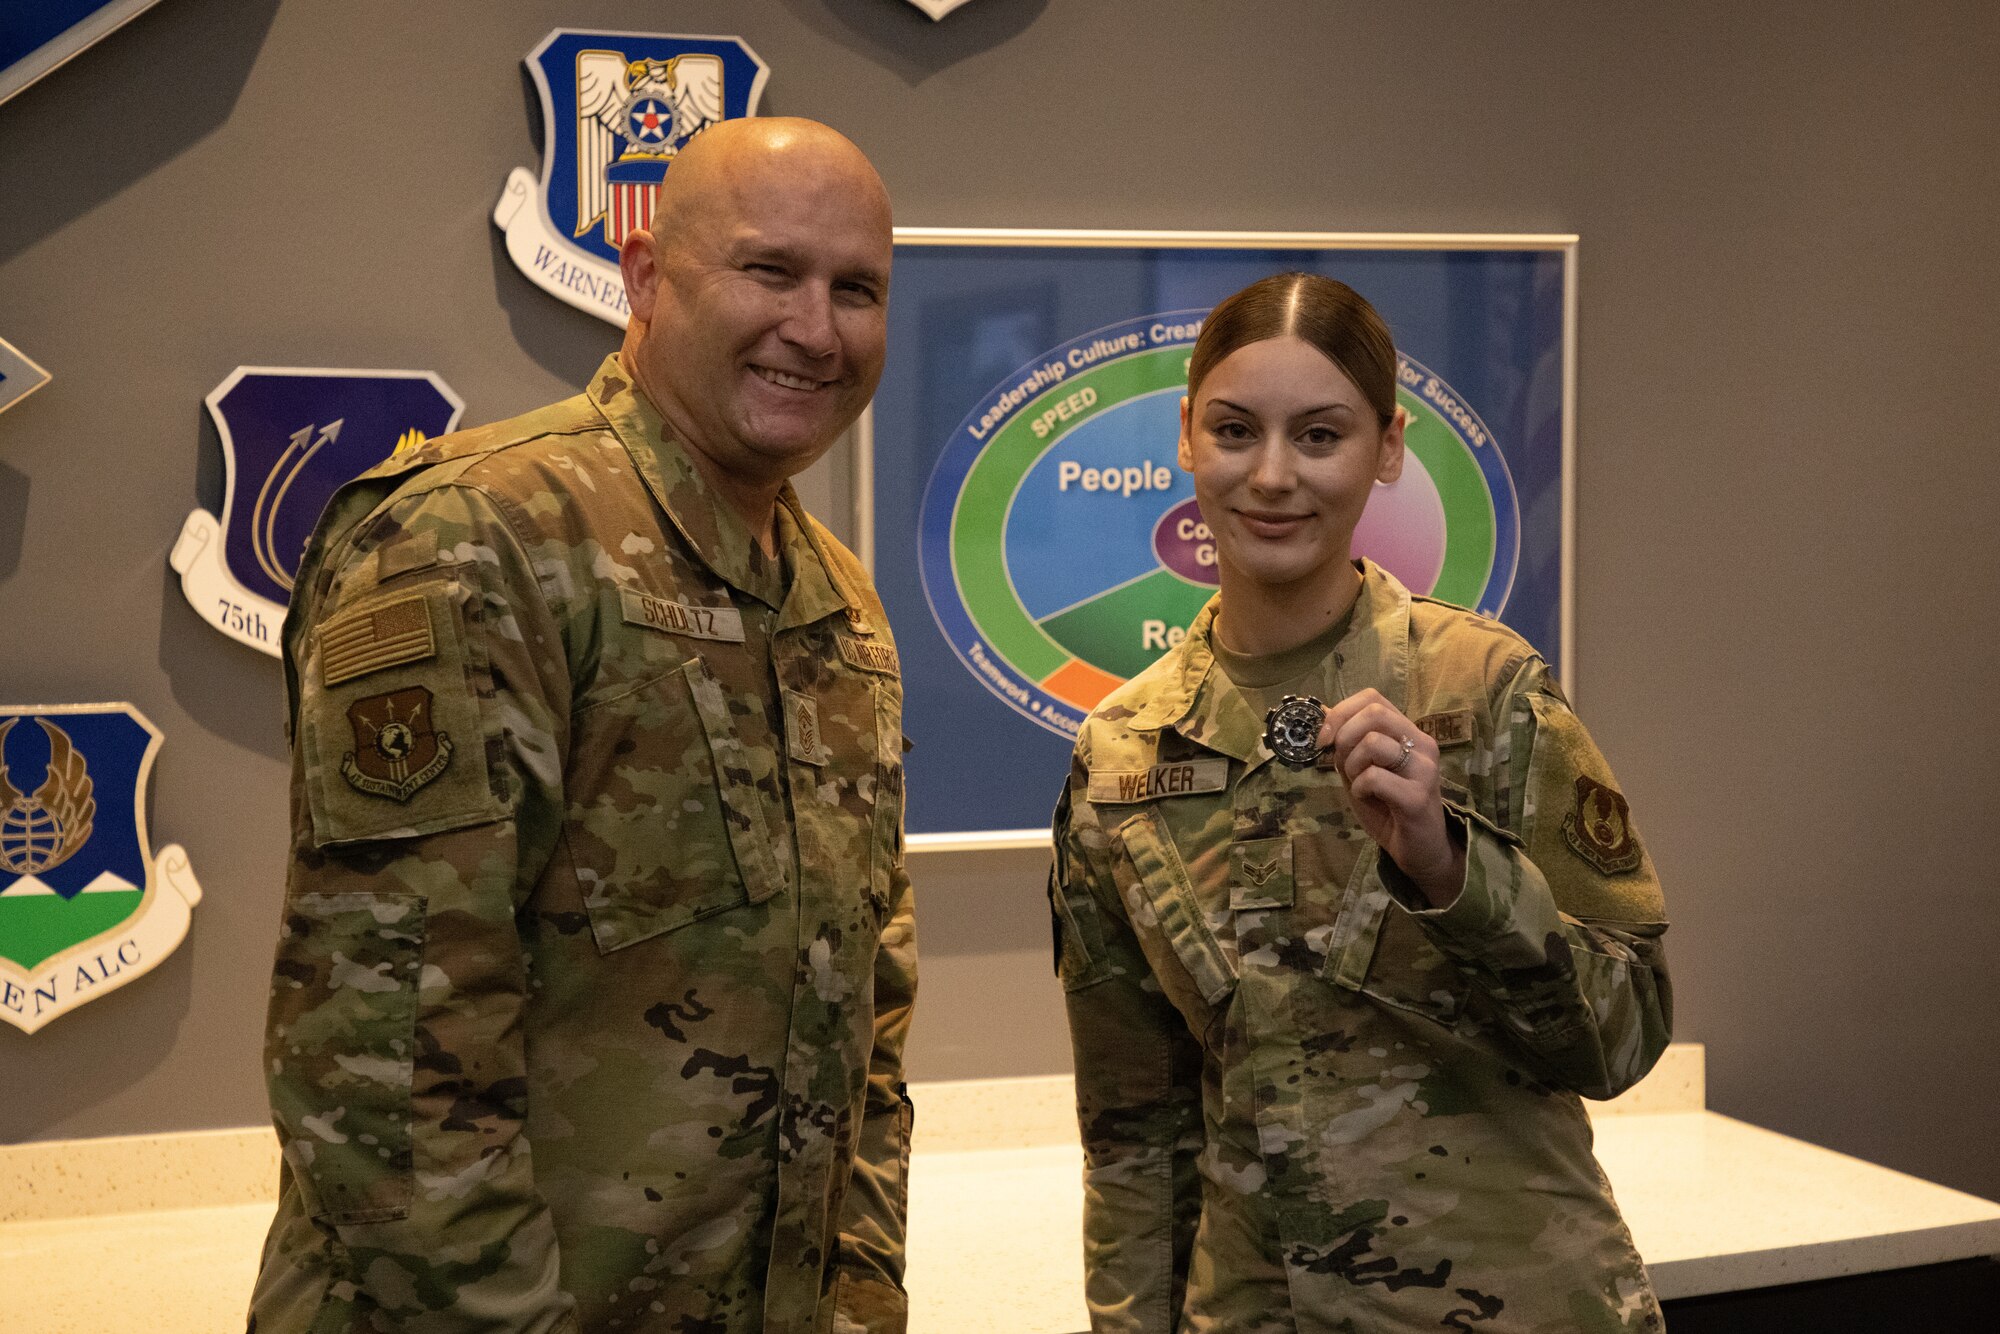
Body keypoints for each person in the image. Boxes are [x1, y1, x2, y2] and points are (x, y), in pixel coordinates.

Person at [250, 118, 916, 1334]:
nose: (816, 329)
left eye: (855, 289)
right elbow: (387, 1059)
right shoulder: (478, 536)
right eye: (769, 270)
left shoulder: (837, 600)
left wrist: (861, 1303)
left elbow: (866, 1018)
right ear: (646, 273)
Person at [1049, 273, 1671, 1332]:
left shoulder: (1483, 690)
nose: (1273, 475)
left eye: (1320, 434)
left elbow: (1621, 1036)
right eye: (1235, 429)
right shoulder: (1121, 753)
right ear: (1186, 436)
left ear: (1386, 448)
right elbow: (1133, 1135)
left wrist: (1449, 869)